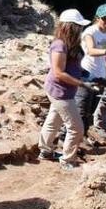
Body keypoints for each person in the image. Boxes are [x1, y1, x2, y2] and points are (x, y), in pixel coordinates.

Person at [38, 9, 99, 170]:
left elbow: (74, 66)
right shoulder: (59, 45)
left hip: (63, 91)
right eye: (78, 26)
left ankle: (45, 151)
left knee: (53, 121)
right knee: (76, 128)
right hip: (60, 92)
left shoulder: (71, 44)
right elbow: (58, 72)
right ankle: (68, 160)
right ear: (69, 27)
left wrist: (88, 76)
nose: (80, 29)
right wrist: (82, 84)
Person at [76, 4, 106, 140]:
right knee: (81, 108)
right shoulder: (90, 32)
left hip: (100, 75)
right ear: (97, 18)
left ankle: (81, 137)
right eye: (105, 19)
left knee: (90, 110)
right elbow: (90, 50)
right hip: (86, 73)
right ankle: (72, 138)